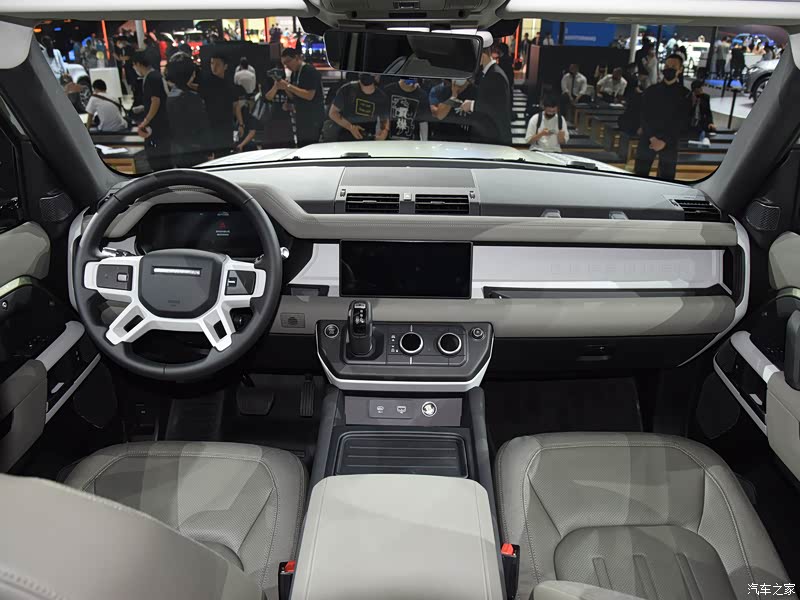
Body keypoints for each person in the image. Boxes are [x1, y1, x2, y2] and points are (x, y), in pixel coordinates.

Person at [634, 53, 691, 181]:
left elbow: (682, 121)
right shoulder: (651, 90)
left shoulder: (685, 94)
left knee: (666, 178)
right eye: (667, 66)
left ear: (680, 70)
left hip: (670, 140)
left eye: (673, 67)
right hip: (648, 137)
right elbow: (644, 115)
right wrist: (652, 137)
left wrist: (664, 141)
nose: (669, 69)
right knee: (639, 175)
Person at [193, 53, 245, 157]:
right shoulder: (206, 82)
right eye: (212, 63)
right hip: (210, 124)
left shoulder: (229, 84)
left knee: (225, 153)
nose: (214, 67)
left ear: (225, 66)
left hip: (226, 124)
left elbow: (236, 105)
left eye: (218, 64)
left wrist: (241, 124)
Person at [459, 46, 512, 145]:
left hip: (495, 137)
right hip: (489, 135)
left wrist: (471, 105)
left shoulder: (495, 74)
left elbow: (496, 106)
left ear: (482, 55)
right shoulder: (490, 73)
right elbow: (487, 95)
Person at [164, 53, 211, 167]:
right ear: (191, 74)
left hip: (176, 149)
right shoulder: (192, 98)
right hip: (195, 151)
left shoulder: (170, 95)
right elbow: (202, 125)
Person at [132, 50, 172, 171]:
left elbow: (156, 101)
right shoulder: (155, 75)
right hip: (162, 121)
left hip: (158, 123)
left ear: (138, 64)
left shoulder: (151, 78)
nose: (134, 68)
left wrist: (145, 121)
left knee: (157, 157)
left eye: (134, 65)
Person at [278, 47, 325, 147]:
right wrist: (285, 87)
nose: (287, 66)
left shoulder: (309, 71)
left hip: (313, 116)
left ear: (296, 58)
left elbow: (309, 95)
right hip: (301, 116)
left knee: (312, 146)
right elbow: (294, 96)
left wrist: (288, 86)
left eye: (288, 62)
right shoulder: (294, 73)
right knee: (302, 145)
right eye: (284, 64)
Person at [325, 74, 389, 141]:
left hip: (367, 140)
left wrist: (383, 133)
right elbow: (333, 113)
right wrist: (350, 127)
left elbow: (384, 120)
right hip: (345, 139)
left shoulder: (381, 96)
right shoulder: (347, 89)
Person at [618, 70, 650, 135]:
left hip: (636, 121)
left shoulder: (646, 95)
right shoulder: (636, 93)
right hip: (630, 120)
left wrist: (642, 126)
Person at [688, 80, 715, 146]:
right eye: (699, 88)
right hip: (690, 123)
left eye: (701, 88)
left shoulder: (705, 97)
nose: (701, 90)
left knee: (703, 135)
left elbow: (708, 112)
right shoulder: (688, 97)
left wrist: (710, 122)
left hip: (701, 123)